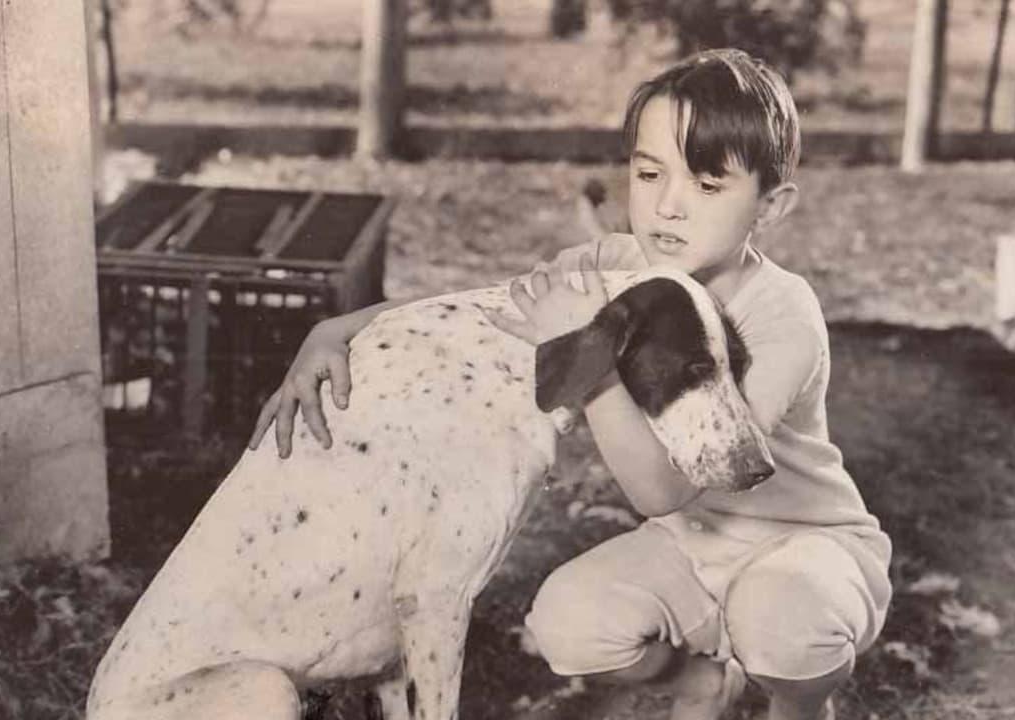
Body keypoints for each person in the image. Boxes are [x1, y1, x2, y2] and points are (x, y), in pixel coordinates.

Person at [247, 48, 891, 720]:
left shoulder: (783, 312)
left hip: (807, 548)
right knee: (566, 624)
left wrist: (588, 353)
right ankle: (696, 682)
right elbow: (490, 313)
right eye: (649, 173)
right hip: (693, 549)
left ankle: (802, 706)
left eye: (707, 185)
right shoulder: (617, 264)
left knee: (783, 630)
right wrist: (338, 331)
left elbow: (665, 490)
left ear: (770, 205)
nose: (668, 206)